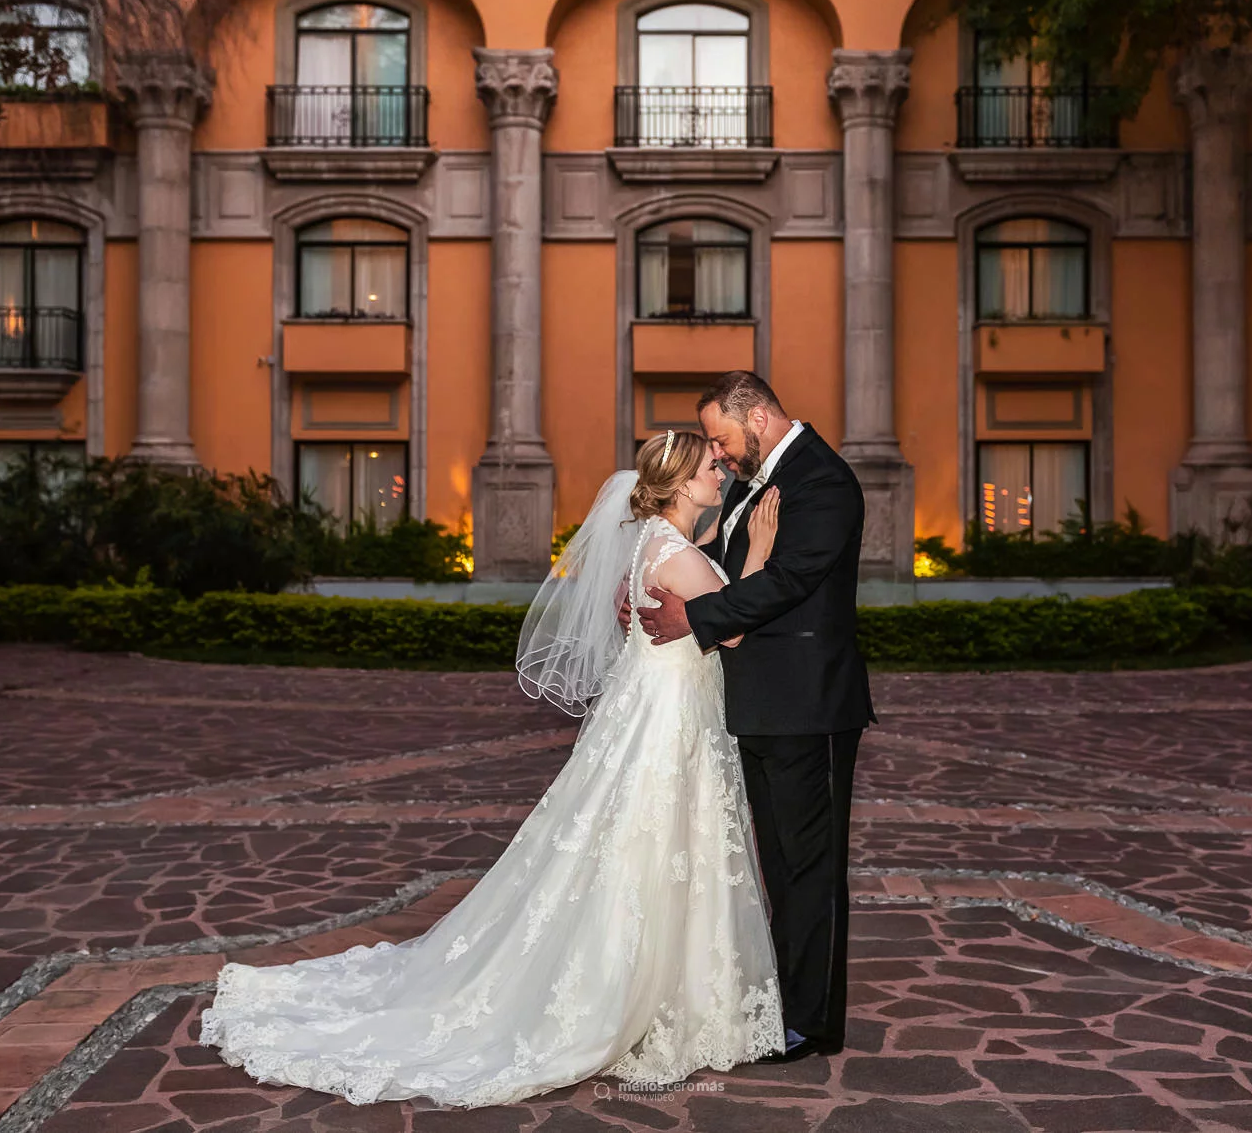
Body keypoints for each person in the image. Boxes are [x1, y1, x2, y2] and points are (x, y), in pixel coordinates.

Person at [200, 429, 786, 1107]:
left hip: (657, 713)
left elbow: (700, 597)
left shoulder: (653, 544)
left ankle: (653, 985)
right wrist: (764, 552)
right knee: (656, 847)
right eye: (713, 468)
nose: (723, 474)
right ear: (682, 483)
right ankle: (644, 995)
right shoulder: (676, 553)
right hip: (668, 723)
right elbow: (735, 627)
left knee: (634, 846)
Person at [638, 369, 873, 1063]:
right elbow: (734, 561)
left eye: (721, 436)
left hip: (810, 706)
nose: (719, 452)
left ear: (758, 418)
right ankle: (780, 1004)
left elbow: (792, 578)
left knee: (810, 870)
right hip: (759, 701)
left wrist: (694, 616)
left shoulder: (822, 482)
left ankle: (812, 1022)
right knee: (777, 862)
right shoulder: (753, 480)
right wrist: (670, 580)